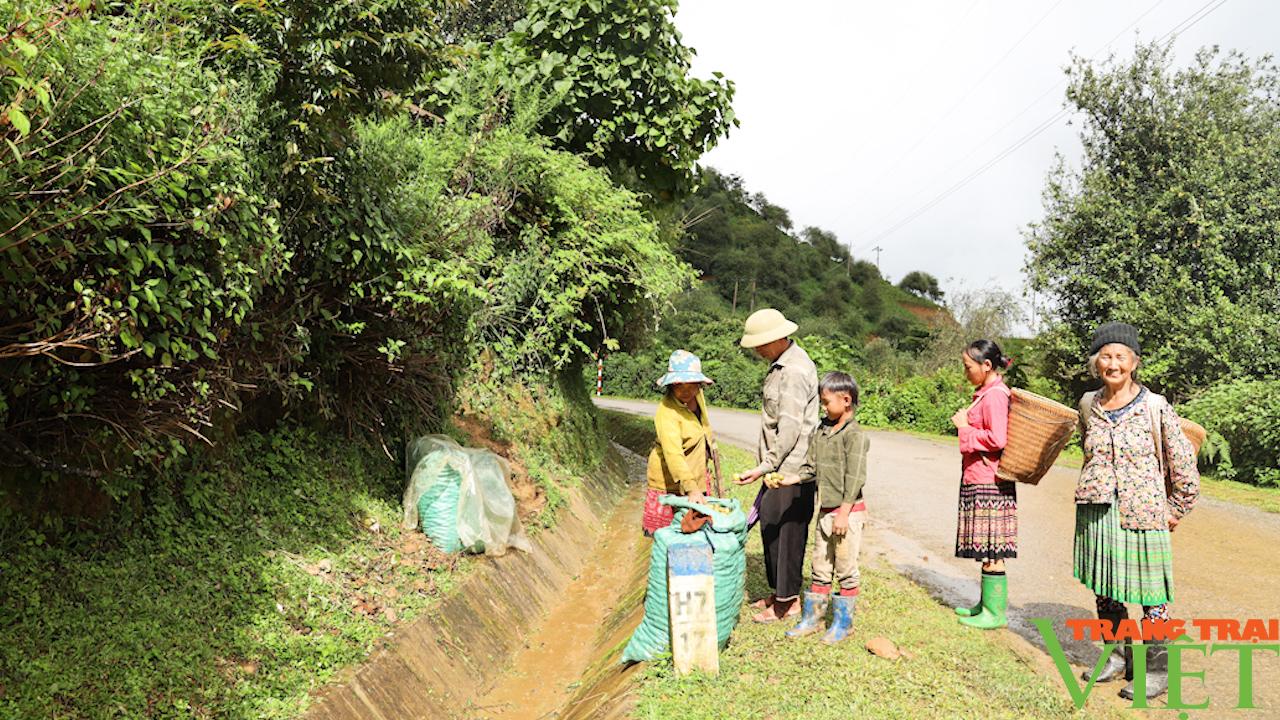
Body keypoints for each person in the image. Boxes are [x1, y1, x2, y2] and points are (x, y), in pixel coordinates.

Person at [1073, 322, 1199, 701]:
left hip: (1144, 515)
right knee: (1106, 591)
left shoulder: (1155, 406)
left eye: (1120, 356)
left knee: (1151, 596)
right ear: (1097, 363)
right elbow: (1087, 451)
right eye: (1105, 356)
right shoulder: (1088, 405)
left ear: (1134, 362)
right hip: (1097, 511)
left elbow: (1183, 465)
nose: (1112, 364)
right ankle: (1116, 657)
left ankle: (1158, 671)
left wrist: (1176, 508)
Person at [734, 308, 819, 623]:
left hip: (792, 470)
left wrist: (763, 467)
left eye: (760, 344)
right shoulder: (779, 366)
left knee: (787, 532)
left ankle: (788, 602)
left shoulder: (794, 371)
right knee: (770, 523)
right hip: (777, 469)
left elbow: (790, 430)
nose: (757, 350)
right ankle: (778, 592)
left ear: (777, 338)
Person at [784, 371, 870, 644]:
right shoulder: (821, 432)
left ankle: (844, 624)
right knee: (820, 564)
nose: (823, 407)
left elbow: (855, 478)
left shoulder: (855, 435)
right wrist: (791, 478)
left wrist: (843, 514)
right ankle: (813, 618)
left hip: (847, 513)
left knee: (845, 567)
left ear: (846, 400)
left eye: (826, 402)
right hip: (825, 511)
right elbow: (810, 468)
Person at [951, 339, 1015, 630]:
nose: (965, 372)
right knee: (987, 548)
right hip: (980, 477)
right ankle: (985, 605)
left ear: (986, 365)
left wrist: (964, 428)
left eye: (968, 366)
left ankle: (995, 613)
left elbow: (998, 439)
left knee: (993, 549)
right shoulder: (985, 393)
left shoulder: (995, 396)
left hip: (991, 482)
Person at [643, 350, 718, 536]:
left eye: (692, 385)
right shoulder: (666, 413)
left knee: (699, 531)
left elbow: (704, 425)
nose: (686, 391)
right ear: (671, 386)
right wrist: (692, 488)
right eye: (680, 386)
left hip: (697, 473)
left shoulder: (697, 396)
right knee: (669, 537)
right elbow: (673, 455)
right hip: (670, 482)